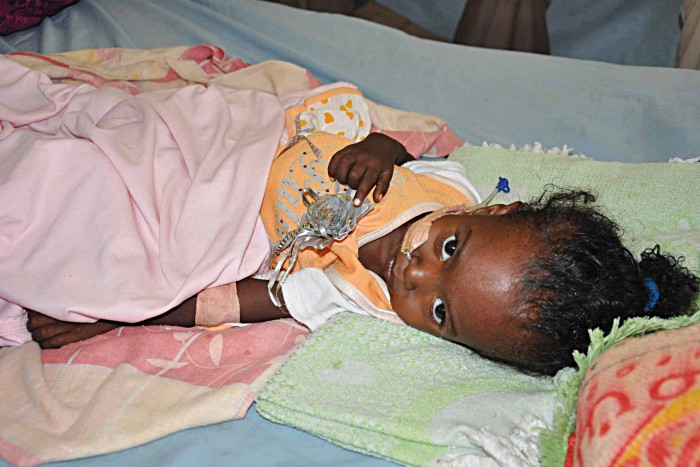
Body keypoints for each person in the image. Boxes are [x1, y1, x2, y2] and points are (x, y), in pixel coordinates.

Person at [11, 82, 700, 376]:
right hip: (245, 147)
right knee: (134, 137)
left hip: (230, 222)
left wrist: (123, 318)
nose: (416, 272)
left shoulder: (363, 302)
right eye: (449, 248)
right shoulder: (449, 186)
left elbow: (249, 300)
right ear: (492, 210)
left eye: (439, 311)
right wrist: (381, 148)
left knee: (84, 225)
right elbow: (410, 156)